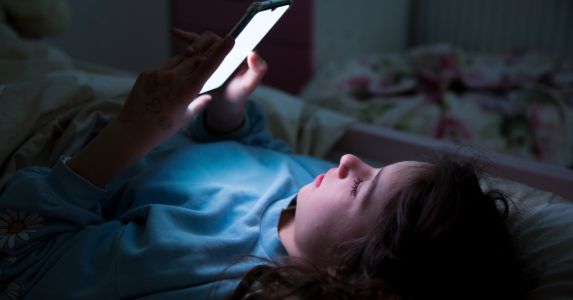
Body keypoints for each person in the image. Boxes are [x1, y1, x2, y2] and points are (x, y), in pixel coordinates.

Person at [0, 30, 528, 300]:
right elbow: (261, 154)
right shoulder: (311, 188)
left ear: (348, 272)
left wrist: (130, 135)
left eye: (361, 189)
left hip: (69, 160)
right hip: (142, 127)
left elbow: (25, 261)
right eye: (371, 165)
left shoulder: (197, 266)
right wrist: (231, 109)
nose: (347, 161)